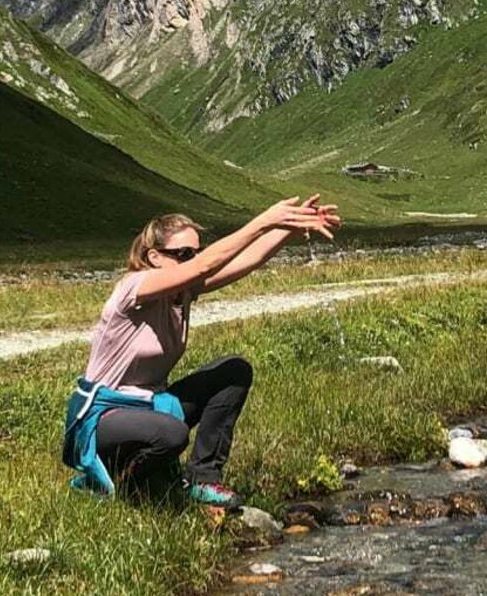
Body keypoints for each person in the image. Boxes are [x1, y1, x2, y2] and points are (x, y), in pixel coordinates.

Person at [62, 195, 340, 508]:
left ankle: (202, 479)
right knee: (171, 433)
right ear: (154, 257)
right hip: (104, 418)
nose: (193, 260)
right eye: (183, 254)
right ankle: (120, 484)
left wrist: (291, 226)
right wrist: (264, 220)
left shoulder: (184, 291)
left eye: (196, 252)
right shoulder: (133, 288)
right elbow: (204, 265)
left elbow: (244, 261)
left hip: (151, 407)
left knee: (233, 372)